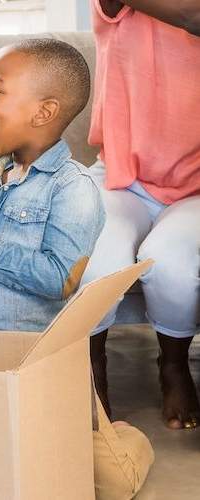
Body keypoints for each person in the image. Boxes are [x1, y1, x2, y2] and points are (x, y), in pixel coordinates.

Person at [0, 39, 153, 499]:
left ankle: (121, 437)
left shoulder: (72, 189)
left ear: (43, 112)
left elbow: (60, 280)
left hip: (34, 368)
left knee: (107, 484)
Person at [80, 0, 200, 430]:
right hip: (121, 177)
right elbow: (193, 17)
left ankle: (174, 366)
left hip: (196, 188)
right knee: (96, 263)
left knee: (170, 260)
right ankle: (92, 374)